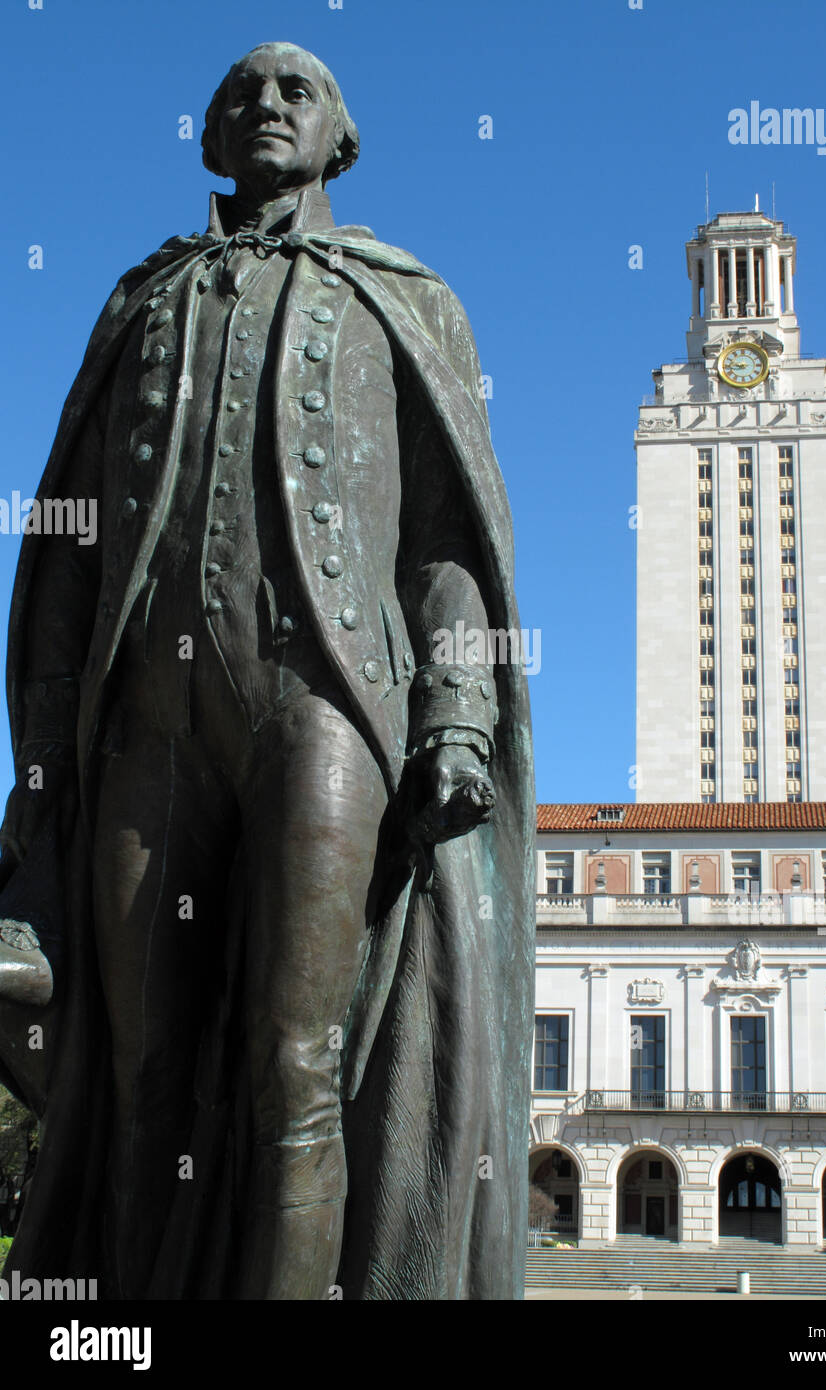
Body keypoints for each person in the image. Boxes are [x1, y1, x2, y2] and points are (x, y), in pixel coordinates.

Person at [0, 42, 533, 1300]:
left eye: (297, 91)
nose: (266, 105)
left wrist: (455, 714)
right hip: (146, 723)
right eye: (241, 91)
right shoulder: (141, 301)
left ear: (341, 136)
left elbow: (448, 544)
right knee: (141, 1081)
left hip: (326, 702)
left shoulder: (404, 296)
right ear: (206, 133)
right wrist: (43, 741)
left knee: (296, 1062)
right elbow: (68, 543)